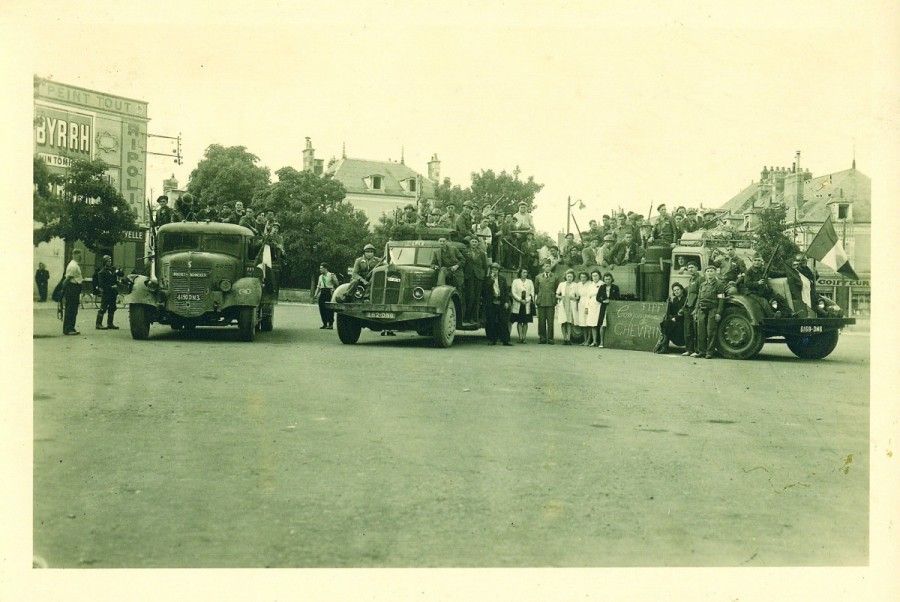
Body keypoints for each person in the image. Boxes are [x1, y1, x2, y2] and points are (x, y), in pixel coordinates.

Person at [695, 264, 726, 359]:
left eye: (711, 271)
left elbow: (721, 299)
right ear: (705, 273)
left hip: (713, 309)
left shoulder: (719, 285)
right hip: (702, 309)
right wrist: (696, 310)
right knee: (701, 331)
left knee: (711, 331)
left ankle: (709, 352)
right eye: (708, 271)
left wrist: (718, 313)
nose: (709, 273)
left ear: (715, 272)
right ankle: (701, 351)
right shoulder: (702, 285)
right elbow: (699, 298)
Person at [483, 262, 513, 346]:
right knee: (491, 321)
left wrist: (506, 302)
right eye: (493, 269)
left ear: (498, 271)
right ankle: (492, 340)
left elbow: (506, 291)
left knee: (503, 321)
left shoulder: (502, 279)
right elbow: (485, 289)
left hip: (501, 301)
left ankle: (506, 340)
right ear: (491, 270)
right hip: (491, 302)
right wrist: (492, 280)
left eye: (496, 270)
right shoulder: (487, 279)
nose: (494, 271)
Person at [655, 282, 686, 353]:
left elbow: (684, 312)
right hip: (674, 321)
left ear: (682, 290)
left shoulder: (685, 299)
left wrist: (676, 318)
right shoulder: (675, 300)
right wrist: (669, 304)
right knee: (665, 323)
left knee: (667, 325)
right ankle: (664, 346)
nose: (676, 291)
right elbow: (672, 312)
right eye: (674, 290)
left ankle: (664, 346)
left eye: (678, 289)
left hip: (682, 321)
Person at [534, 259, 559, 344]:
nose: (548, 267)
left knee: (550, 321)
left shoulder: (555, 277)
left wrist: (553, 298)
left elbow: (556, 289)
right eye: (546, 266)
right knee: (541, 321)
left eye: (549, 266)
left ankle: (550, 338)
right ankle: (542, 338)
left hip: (551, 301)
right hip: (541, 301)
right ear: (543, 267)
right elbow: (536, 289)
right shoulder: (538, 277)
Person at [464, 237, 489, 322]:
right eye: (472, 241)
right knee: (470, 297)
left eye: (475, 242)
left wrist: (484, 276)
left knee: (477, 298)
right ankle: (467, 317)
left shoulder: (482, 253)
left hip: (479, 277)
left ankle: (475, 318)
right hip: (469, 276)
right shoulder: (465, 252)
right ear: (470, 243)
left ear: (478, 243)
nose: (474, 243)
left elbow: (485, 266)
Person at [93, 255, 121, 330]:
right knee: (103, 308)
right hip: (106, 293)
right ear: (105, 262)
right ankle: (98, 324)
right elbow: (102, 284)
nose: (110, 262)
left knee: (112, 308)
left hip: (113, 293)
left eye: (110, 261)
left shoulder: (112, 271)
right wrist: (111, 287)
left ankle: (110, 323)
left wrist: (117, 283)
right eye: (108, 261)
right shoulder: (101, 272)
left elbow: (118, 277)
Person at [680, 263, 701, 357]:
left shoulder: (700, 279)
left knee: (696, 330)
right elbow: (689, 295)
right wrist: (683, 307)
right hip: (688, 307)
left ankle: (697, 350)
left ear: (697, 268)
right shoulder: (691, 279)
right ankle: (689, 350)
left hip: (695, 308)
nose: (690, 269)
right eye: (689, 268)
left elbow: (700, 295)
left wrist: (696, 308)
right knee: (687, 330)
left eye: (692, 267)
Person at [510, 268, 535, 343]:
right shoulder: (515, 281)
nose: (525, 274)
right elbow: (513, 292)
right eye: (523, 272)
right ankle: (520, 337)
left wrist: (526, 300)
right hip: (518, 303)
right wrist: (520, 299)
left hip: (526, 304)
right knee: (519, 321)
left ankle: (524, 337)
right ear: (520, 273)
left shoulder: (530, 282)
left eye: (526, 272)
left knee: (525, 321)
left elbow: (532, 292)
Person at [595, 272, 620, 347]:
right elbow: (597, 298)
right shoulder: (602, 287)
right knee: (602, 324)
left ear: (611, 279)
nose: (607, 281)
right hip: (604, 308)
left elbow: (618, 297)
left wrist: (611, 301)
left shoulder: (615, 287)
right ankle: (601, 342)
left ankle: (613, 343)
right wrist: (603, 301)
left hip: (612, 308)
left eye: (609, 279)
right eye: (606, 279)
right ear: (604, 280)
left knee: (612, 324)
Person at [62, 249, 84, 335]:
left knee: (73, 309)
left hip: (74, 288)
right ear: (74, 255)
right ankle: (68, 329)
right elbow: (68, 278)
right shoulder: (73, 266)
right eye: (78, 255)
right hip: (72, 288)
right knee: (71, 309)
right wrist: (64, 289)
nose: (80, 257)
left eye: (80, 255)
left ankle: (71, 327)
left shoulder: (75, 265)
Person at [555, 269, 579, 345]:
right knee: (563, 322)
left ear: (573, 277)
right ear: (565, 277)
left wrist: (573, 298)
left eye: (571, 277)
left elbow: (578, 297)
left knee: (569, 322)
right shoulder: (561, 284)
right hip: (563, 304)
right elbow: (556, 294)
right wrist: (561, 297)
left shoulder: (575, 285)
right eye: (568, 276)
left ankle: (568, 339)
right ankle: (564, 338)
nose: (569, 278)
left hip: (570, 305)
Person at [579, 270, 602, 346]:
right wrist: (586, 307)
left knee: (599, 324)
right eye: (593, 276)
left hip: (599, 305)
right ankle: (594, 341)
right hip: (591, 305)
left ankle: (599, 341)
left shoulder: (602, 284)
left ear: (599, 276)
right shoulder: (591, 285)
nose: (595, 277)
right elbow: (587, 297)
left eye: (596, 275)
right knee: (592, 323)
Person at [314, 263, 339, 329]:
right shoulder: (320, 277)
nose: (320, 269)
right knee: (322, 308)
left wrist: (334, 279)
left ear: (325, 268)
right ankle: (324, 323)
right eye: (320, 268)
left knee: (329, 309)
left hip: (329, 292)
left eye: (321, 268)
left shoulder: (331, 275)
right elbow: (318, 287)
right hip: (323, 292)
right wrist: (315, 295)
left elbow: (337, 284)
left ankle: (330, 324)